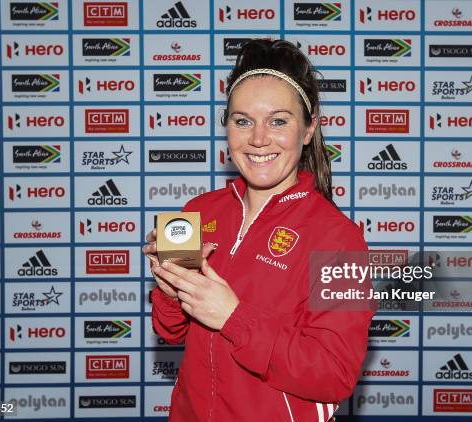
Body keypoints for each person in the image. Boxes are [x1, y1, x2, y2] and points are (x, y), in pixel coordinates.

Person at [142, 39, 374, 421]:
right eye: (243, 120)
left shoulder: (341, 239)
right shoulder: (198, 211)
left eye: (278, 121)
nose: (259, 138)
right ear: (227, 127)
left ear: (308, 128)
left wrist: (234, 317)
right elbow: (172, 332)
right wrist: (170, 289)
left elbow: (333, 375)